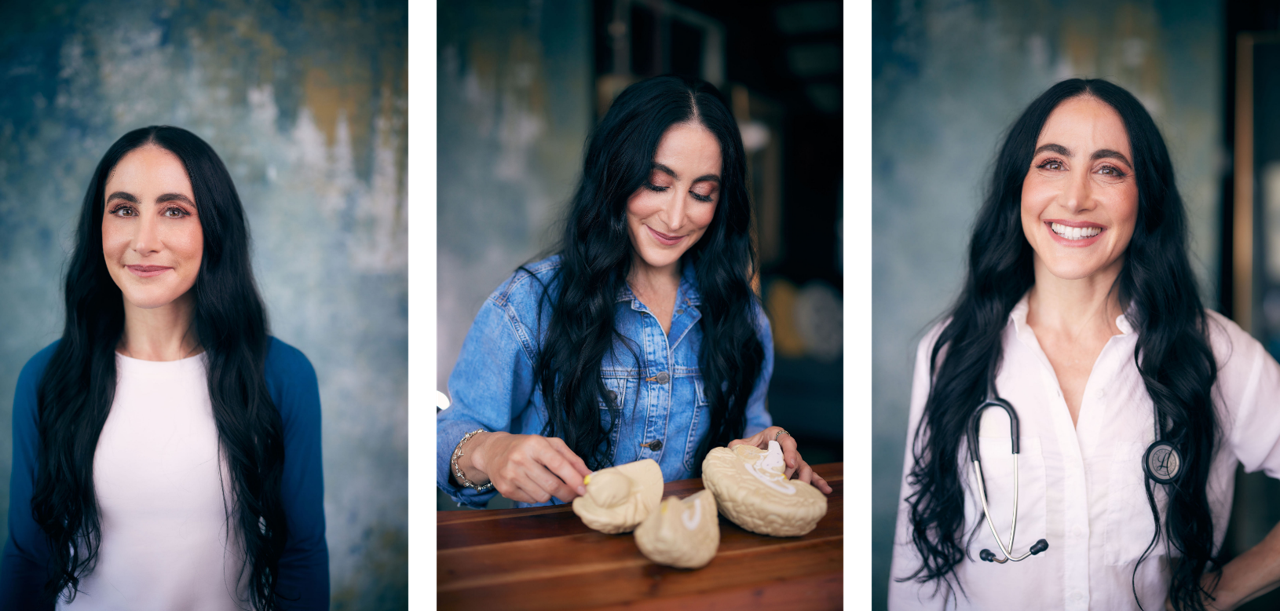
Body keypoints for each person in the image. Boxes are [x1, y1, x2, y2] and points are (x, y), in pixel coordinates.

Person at [888, 78, 1280, 611]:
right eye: (1052, 163)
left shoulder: (1215, 353)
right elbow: (917, 562)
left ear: (1146, 197)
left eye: (1109, 169)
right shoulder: (949, 350)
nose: (1075, 198)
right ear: (1018, 187)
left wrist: (1216, 594)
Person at [437, 74, 832, 510]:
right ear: (615, 174)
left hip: (693, 561)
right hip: (563, 570)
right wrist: (488, 451)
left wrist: (768, 449)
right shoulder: (530, 302)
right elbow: (449, 434)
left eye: (701, 194)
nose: (676, 216)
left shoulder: (744, 316)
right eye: (657, 185)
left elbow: (748, 434)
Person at [0, 126, 329, 609]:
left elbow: (299, 555)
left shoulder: (282, 375)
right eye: (124, 210)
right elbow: (27, 559)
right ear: (100, 227)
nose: (144, 240)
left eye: (174, 211)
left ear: (213, 228)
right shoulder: (47, 377)